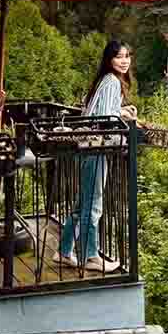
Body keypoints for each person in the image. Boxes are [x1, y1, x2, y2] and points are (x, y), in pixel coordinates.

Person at [54, 40, 135, 272]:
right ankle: (90, 256)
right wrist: (125, 120)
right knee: (93, 205)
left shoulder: (105, 80)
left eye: (127, 56)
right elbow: (104, 119)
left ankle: (63, 251)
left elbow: (101, 111)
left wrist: (121, 111)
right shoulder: (112, 81)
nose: (124, 61)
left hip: (88, 146)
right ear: (109, 59)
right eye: (119, 56)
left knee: (83, 203)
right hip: (97, 147)